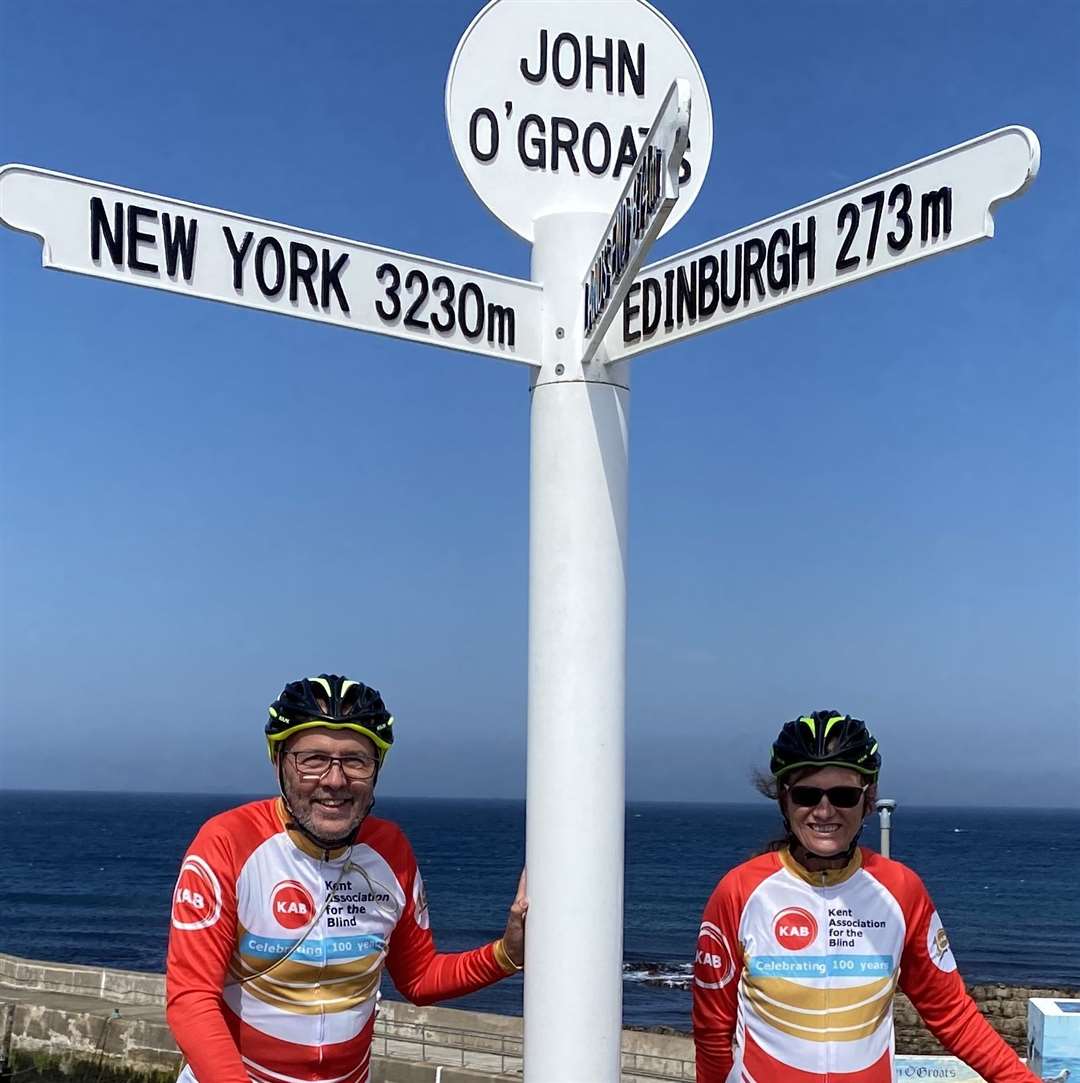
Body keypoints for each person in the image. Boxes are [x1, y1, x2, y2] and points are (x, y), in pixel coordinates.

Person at [167, 673, 527, 1083]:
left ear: (376, 769)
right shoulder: (228, 842)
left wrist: (507, 954)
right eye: (313, 759)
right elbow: (192, 998)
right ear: (279, 762)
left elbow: (420, 979)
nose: (335, 780)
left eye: (355, 761)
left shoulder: (391, 850)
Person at [692, 709, 1039, 1083]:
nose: (824, 811)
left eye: (843, 795)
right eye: (807, 794)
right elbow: (713, 1032)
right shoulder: (739, 891)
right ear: (784, 800)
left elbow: (951, 1015)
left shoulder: (900, 889)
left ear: (868, 799)